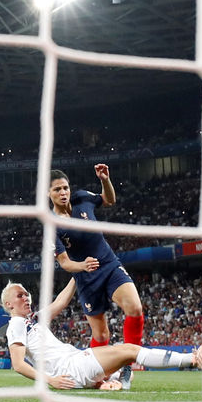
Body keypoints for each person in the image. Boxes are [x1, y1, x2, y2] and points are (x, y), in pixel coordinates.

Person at [2, 280, 202, 390]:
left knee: (126, 369)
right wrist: (50, 380)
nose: (26, 298)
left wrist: (76, 274)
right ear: (9, 305)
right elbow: (18, 365)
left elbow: (61, 301)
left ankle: (104, 383)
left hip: (75, 362)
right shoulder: (17, 325)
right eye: (20, 296)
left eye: (27, 294)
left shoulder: (35, 319)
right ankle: (193, 360)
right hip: (69, 368)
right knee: (129, 351)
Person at [50, 166, 144, 389]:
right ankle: (95, 376)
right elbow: (64, 262)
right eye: (57, 190)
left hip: (109, 265)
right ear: (48, 193)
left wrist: (105, 180)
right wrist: (82, 265)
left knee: (135, 308)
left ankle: (127, 366)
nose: (63, 193)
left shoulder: (82, 198)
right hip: (86, 277)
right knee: (101, 334)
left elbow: (109, 200)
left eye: (65, 187)